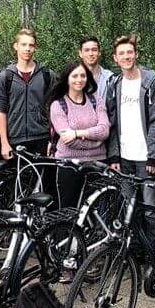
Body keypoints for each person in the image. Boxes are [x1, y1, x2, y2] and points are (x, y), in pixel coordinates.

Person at [48, 61, 110, 206]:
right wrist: (96, 141)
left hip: (98, 164)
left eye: (83, 75)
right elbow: (68, 140)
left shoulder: (96, 100)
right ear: (67, 79)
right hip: (69, 166)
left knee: (97, 211)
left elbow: (104, 130)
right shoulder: (58, 105)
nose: (79, 79)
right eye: (74, 76)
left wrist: (77, 133)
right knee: (69, 210)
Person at [105, 36, 155, 181]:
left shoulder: (150, 82)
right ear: (115, 58)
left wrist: (154, 156)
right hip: (124, 156)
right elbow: (112, 122)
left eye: (129, 52)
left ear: (136, 54)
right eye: (121, 53)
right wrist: (114, 154)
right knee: (127, 202)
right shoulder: (115, 84)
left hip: (145, 157)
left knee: (149, 202)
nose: (126, 57)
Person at [0, 28, 53, 161]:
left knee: (42, 180)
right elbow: (1, 111)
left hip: (41, 138)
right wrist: (4, 143)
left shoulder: (46, 75)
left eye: (31, 45)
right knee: (18, 181)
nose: (27, 49)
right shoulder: (6, 76)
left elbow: (54, 108)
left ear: (35, 48)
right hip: (15, 138)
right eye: (23, 44)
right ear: (15, 46)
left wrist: (53, 140)